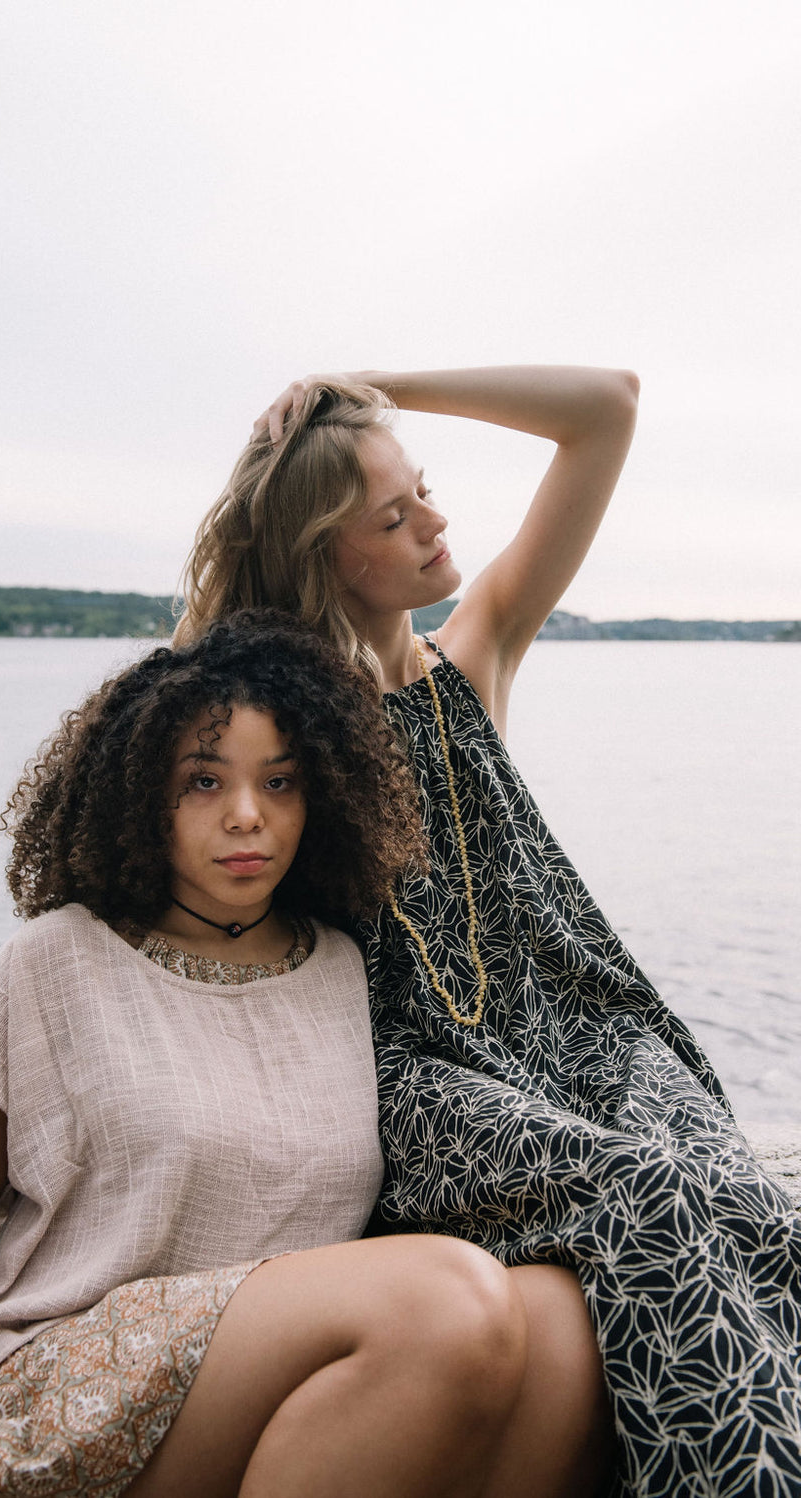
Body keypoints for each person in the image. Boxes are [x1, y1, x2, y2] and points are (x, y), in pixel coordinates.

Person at [0, 612, 612, 1498]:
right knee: (448, 1295)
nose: (245, 816)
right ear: (142, 795)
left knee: (564, 1326)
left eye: (280, 781)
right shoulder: (59, 961)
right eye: (203, 781)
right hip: (44, 1388)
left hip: (250, 1399)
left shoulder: (345, 969)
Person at [171, 369, 801, 1498]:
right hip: (425, 1081)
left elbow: (605, 406)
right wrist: (5, 1094)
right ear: (329, 557)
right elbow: (156, 901)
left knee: (745, 1202)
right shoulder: (288, 743)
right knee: (646, 1196)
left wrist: (375, 381)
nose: (434, 520)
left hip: (594, 1039)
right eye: (393, 515)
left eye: (425, 490)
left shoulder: (476, 657)